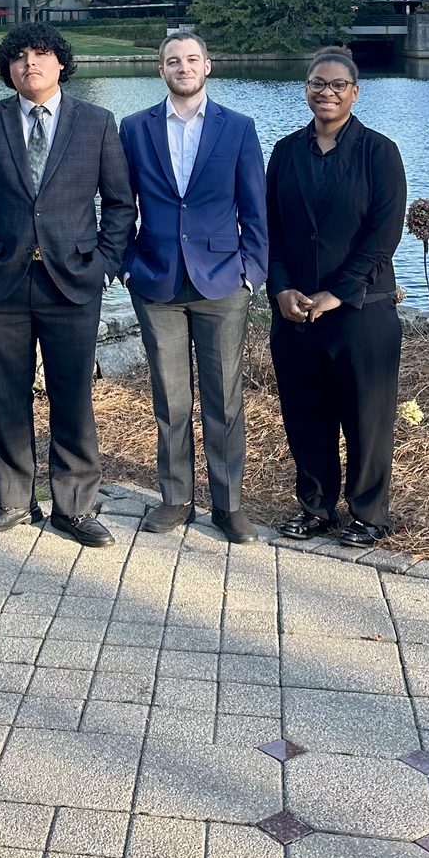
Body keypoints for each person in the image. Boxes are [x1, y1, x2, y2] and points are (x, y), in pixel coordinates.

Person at [0, 21, 135, 547]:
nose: (30, 63)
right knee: (6, 394)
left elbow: (120, 204)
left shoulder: (96, 122)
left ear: (60, 65)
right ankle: (13, 501)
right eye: (20, 56)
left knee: (71, 395)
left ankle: (73, 507)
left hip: (72, 282)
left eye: (41, 54)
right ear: (8, 69)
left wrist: (103, 263)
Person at [119, 29, 268, 542]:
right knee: (170, 397)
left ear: (207, 66)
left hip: (223, 283)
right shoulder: (134, 129)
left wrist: (251, 272)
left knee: (224, 399)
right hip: (156, 280)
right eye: (172, 60)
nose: (182, 66)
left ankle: (228, 506)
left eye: (191, 59)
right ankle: (176, 497)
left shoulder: (239, 128)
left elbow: (255, 207)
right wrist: (126, 264)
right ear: (160, 70)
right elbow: (120, 204)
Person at [264, 48, 407, 547]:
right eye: (316, 84)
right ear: (305, 89)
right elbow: (271, 231)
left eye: (337, 85)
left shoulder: (379, 152)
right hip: (295, 309)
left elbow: (383, 235)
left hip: (362, 311)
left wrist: (337, 294)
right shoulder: (285, 152)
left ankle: (369, 512)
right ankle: (316, 508)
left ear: (354, 92)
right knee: (306, 414)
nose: (326, 92)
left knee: (366, 417)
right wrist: (279, 287)